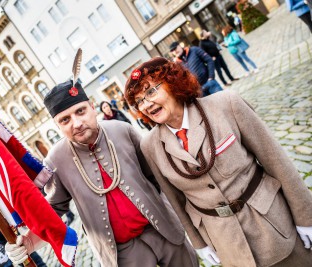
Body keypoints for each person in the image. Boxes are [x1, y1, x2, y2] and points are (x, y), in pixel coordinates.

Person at [124, 57, 312, 267]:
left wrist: (306, 217)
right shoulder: (150, 146)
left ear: (172, 82)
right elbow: (176, 200)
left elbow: (277, 162)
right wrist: (199, 243)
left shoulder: (226, 104)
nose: (146, 104)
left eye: (151, 92)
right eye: (139, 101)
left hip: (273, 225)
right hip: (226, 243)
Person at [5, 79, 198, 267]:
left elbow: (155, 177)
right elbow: (53, 210)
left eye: (80, 111)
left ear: (92, 106)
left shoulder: (122, 129)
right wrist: (31, 241)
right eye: (65, 120)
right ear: (58, 126)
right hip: (121, 252)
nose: (77, 123)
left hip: (163, 230)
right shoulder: (55, 159)